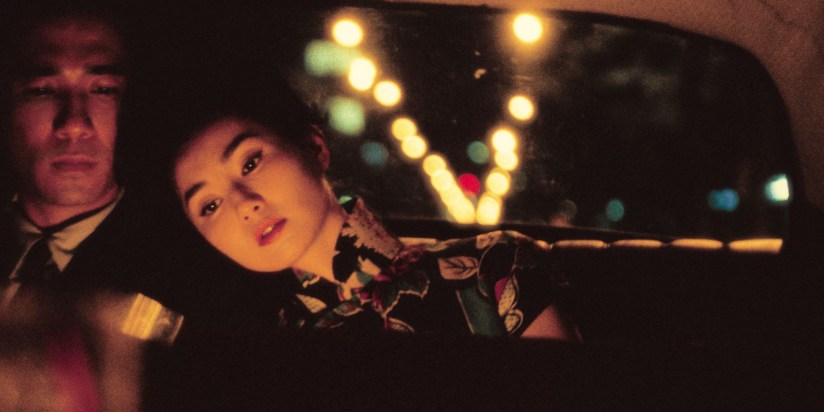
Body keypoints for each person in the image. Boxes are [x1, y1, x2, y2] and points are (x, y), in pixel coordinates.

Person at [152, 76, 576, 339]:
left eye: (250, 163)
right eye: (209, 205)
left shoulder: (497, 266)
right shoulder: (251, 355)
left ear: (314, 147)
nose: (244, 206)